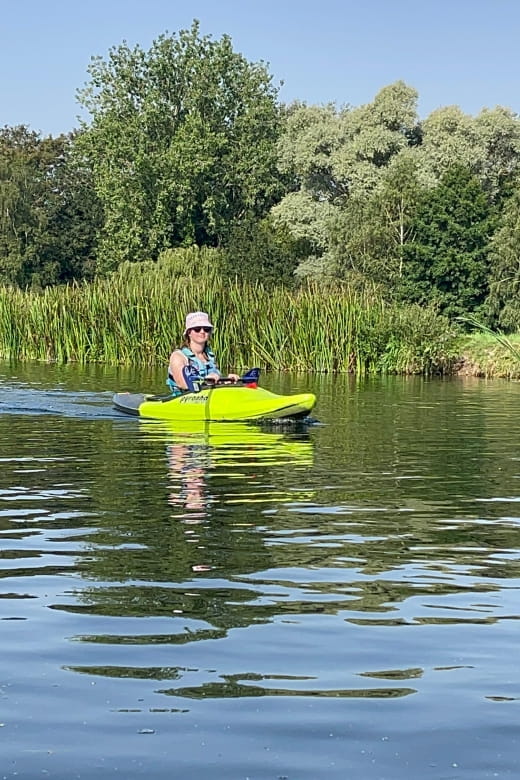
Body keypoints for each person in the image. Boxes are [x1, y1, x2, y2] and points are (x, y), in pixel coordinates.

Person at [167, 311, 240, 395]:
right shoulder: (178, 356)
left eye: (206, 329)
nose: (202, 332)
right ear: (189, 333)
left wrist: (227, 381)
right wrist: (206, 381)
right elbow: (182, 384)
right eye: (197, 329)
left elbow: (215, 381)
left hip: (208, 396)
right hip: (183, 398)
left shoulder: (209, 356)